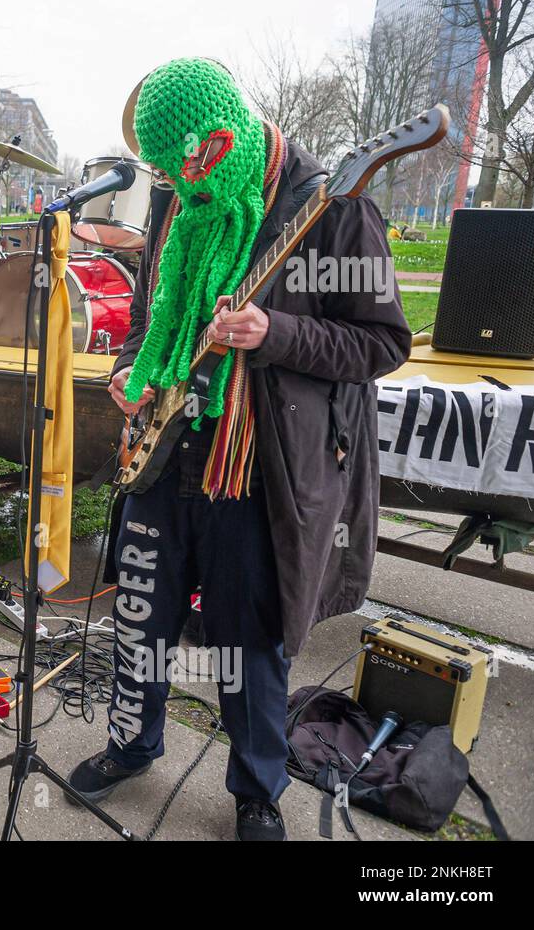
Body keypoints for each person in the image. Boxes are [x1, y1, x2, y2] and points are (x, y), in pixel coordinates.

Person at [65, 59, 410, 841]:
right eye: (163, 176)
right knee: (140, 616)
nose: (173, 188)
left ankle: (257, 790)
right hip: (166, 451)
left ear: (217, 142)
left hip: (257, 468)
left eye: (179, 168)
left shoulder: (334, 208)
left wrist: (274, 333)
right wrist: (130, 374)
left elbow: (384, 342)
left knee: (248, 642)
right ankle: (132, 742)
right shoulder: (179, 201)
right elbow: (157, 310)